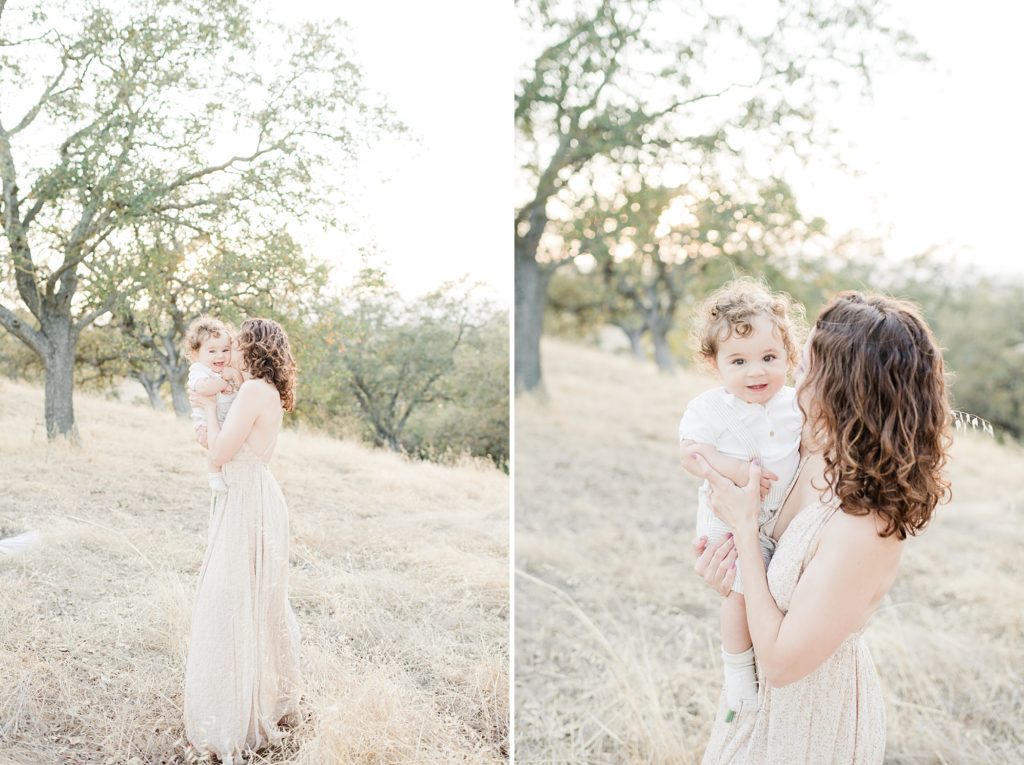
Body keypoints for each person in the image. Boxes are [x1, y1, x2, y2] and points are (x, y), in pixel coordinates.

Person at [691, 291, 951, 764]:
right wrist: (728, 574)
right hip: (754, 707)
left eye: (807, 368)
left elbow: (782, 664)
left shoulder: (866, 525)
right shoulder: (809, 452)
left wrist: (745, 534)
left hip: (812, 723)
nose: (794, 375)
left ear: (844, 388)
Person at [678, 279, 805, 717]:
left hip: (781, 517)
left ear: (789, 357)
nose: (756, 372)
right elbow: (692, 453)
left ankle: (769, 653)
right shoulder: (711, 408)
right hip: (728, 514)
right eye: (739, 360)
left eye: (770, 358)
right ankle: (737, 668)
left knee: (776, 587)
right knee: (738, 592)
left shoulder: (795, 404)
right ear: (715, 365)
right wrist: (735, 471)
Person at [184, 317, 302, 764]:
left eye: (235, 345)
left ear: (251, 348)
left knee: (229, 601)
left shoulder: (252, 392)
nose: (227, 353)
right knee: (254, 600)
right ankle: (261, 702)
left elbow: (218, 453)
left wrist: (210, 410)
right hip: (253, 493)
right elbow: (226, 451)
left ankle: (230, 719)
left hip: (248, 500)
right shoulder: (262, 391)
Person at [184, 316, 242, 493]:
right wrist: (224, 383)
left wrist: (232, 374)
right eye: (212, 351)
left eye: (225, 350)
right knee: (215, 447)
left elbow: (240, 384)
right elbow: (203, 388)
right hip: (206, 424)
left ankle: (225, 473)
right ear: (196, 354)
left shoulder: (228, 369)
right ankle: (214, 476)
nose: (220, 356)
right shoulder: (198, 370)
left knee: (227, 448)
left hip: (225, 420)